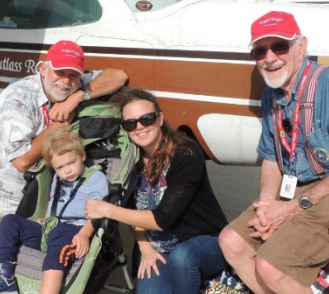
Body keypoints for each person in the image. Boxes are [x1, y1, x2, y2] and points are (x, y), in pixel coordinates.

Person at [218, 11, 329, 294]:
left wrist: (292, 209)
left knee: (272, 265)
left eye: (279, 46)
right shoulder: (271, 96)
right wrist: (265, 207)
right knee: (231, 242)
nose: (269, 57)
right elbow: (272, 157)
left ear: (301, 46)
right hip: (303, 182)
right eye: (260, 51)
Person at [0, 40, 127, 278]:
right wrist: (60, 123)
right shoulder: (17, 101)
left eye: (73, 75)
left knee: (44, 265)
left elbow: (119, 75)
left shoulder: (72, 85)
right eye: (59, 72)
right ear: (42, 68)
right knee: (6, 277)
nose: (65, 81)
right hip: (10, 195)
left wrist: (78, 97)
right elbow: (23, 161)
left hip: (52, 192)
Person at [84, 88, 228, 294]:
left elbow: (161, 219)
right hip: (156, 248)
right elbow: (133, 213)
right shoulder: (129, 159)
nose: (139, 127)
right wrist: (145, 248)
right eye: (130, 123)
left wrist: (106, 209)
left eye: (147, 119)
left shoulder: (186, 152)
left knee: (182, 258)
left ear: (160, 119)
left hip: (201, 242)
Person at [0, 125, 110, 294]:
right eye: (59, 167)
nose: (67, 170)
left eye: (71, 163)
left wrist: (85, 233)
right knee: (9, 221)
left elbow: (99, 211)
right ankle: (3, 274)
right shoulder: (58, 177)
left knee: (56, 257)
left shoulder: (95, 178)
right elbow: (54, 201)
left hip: (73, 231)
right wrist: (48, 218)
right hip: (51, 228)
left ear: (82, 155)